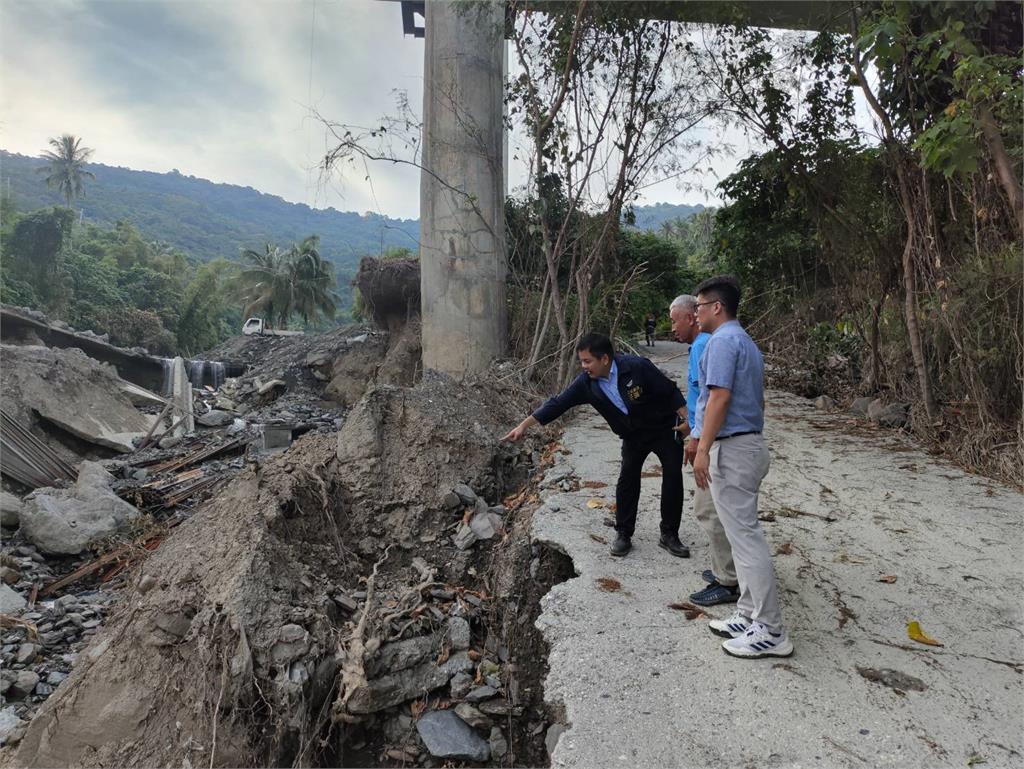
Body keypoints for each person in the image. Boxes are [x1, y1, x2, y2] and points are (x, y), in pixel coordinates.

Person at [503, 332, 690, 558]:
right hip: (632, 435)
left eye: (587, 361)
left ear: (604, 359)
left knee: (672, 477)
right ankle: (623, 533)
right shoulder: (587, 383)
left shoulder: (637, 366)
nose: (584, 366)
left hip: (663, 428)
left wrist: (690, 422)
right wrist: (524, 426)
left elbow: (669, 390)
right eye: (581, 361)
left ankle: (669, 535)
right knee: (627, 479)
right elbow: (558, 403)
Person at [690, 275, 793, 659]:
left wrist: (702, 448)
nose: (696, 313)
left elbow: (718, 398)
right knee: (739, 536)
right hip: (747, 444)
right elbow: (758, 402)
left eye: (699, 306)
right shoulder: (745, 342)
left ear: (716, 307)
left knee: (746, 540)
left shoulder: (721, 342)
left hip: (732, 449)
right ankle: (749, 613)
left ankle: (770, 629)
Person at [669, 295, 740, 607]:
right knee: (714, 508)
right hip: (707, 436)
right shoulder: (708, 344)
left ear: (691, 317)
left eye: (675, 320)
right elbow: (700, 397)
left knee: (708, 509)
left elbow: (714, 398)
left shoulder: (703, 345)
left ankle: (729, 580)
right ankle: (723, 570)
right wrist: (690, 427)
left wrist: (698, 441)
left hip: (712, 441)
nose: (672, 327)